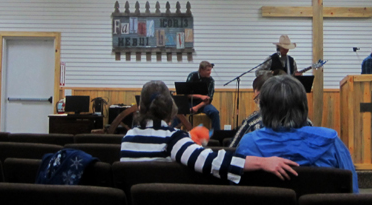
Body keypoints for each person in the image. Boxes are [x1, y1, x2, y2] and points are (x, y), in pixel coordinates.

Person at [120, 80, 299, 184]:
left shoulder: (128, 138)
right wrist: (263, 163)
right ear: (169, 107)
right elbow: (215, 162)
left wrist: (187, 139)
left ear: (141, 107)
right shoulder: (172, 140)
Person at [235, 75, 359, 193]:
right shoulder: (331, 142)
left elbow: (238, 190)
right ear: (303, 106)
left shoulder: (248, 143)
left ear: (263, 109)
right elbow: (351, 190)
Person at [185, 61, 220, 130]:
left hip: (203, 104)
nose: (210, 72)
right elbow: (186, 94)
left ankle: (216, 135)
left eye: (210, 70)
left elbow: (209, 99)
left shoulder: (211, 81)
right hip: (189, 102)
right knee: (178, 112)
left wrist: (197, 107)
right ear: (201, 70)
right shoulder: (192, 76)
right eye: (208, 70)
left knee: (215, 112)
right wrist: (200, 96)